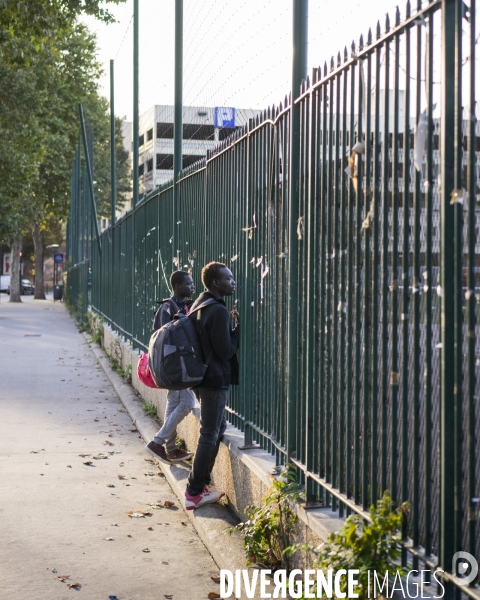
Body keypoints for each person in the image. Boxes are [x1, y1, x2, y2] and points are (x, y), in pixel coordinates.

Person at [183, 261, 240, 510]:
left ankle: (201, 484)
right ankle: (194, 491)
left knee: (217, 428)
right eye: (228, 278)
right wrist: (237, 331)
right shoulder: (217, 310)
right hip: (214, 380)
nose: (232, 282)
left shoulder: (200, 304)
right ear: (216, 283)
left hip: (201, 377)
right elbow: (225, 350)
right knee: (209, 433)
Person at [145, 270, 197, 464]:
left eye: (192, 283)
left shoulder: (186, 306)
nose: (192, 287)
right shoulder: (168, 308)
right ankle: (157, 442)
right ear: (177, 286)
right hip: (175, 366)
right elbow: (162, 337)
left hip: (182, 363)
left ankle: (172, 449)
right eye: (188, 284)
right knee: (187, 403)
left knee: (174, 402)